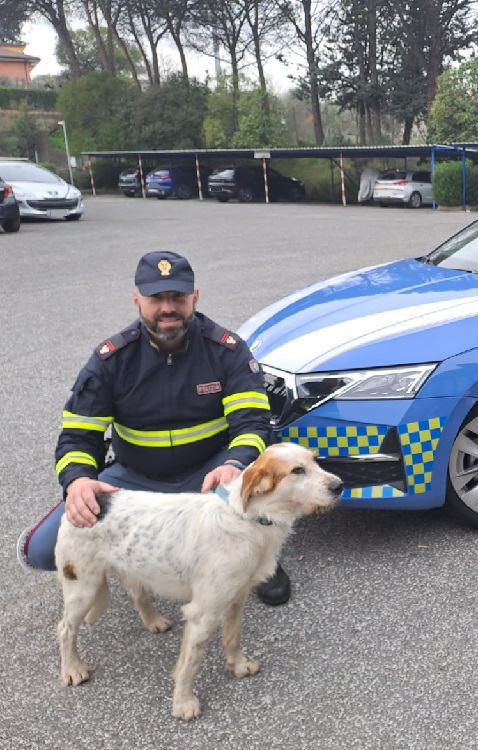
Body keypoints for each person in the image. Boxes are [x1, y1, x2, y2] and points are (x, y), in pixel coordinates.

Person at [17, 251, 291, 606]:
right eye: (155, 298)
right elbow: (78, 436)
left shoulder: (227, 351)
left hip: (211, 473)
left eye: (177, 297)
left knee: (246, 506)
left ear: (195, 296)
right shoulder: (111, 359)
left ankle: (259, 559)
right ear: (136, 299)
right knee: (42, 551)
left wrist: (235, 465)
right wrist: (78, 481)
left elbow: (252, 424)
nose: (167, 307)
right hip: (135, 476)